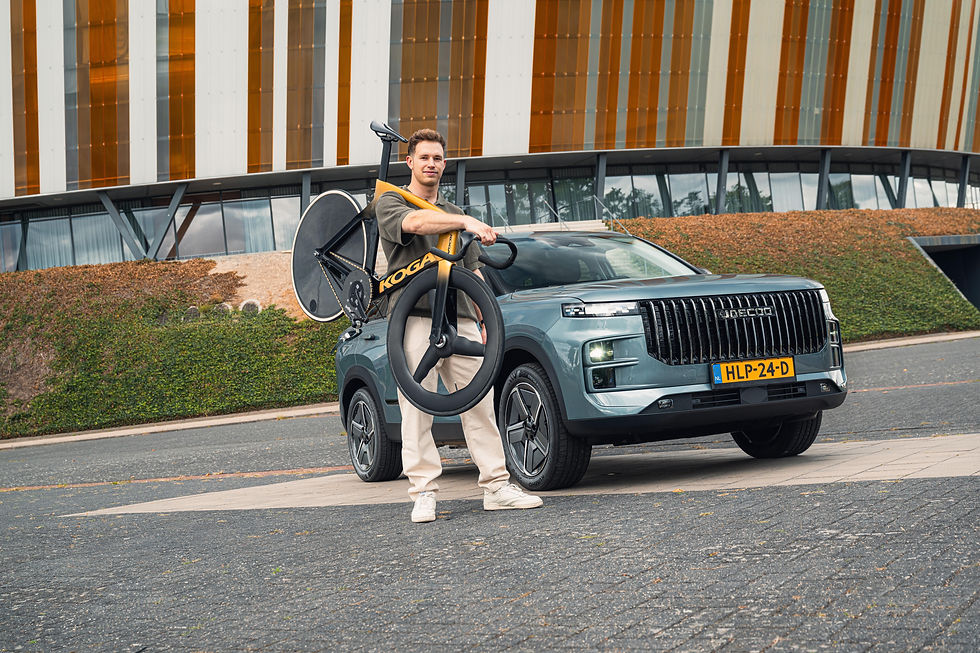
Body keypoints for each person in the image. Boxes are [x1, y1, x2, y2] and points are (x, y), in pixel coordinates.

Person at [375, 128, 543, 523]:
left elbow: (474, 273)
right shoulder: (390, 200)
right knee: (417, 408)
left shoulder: (451, 211)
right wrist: (463, 219)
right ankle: (423, 493)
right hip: (415, 318)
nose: (431, 164)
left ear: (444, 165)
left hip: (461, 319)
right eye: (424, 157)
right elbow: (414, 223)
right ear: (410, 162)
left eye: (437, 158)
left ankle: (496, 486)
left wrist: (487, 322)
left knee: (480, 404)